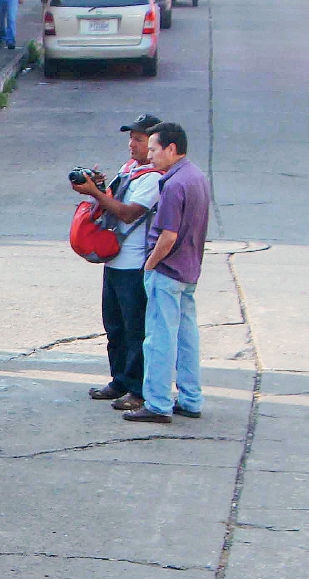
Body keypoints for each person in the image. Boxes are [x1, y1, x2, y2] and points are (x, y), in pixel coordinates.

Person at [72, 114, 163, 412]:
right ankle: (119, 380)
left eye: (139, 140)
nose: (132, 145)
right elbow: (110, 201)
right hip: (114, 261)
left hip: (135, 264)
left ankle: (138, 389)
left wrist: (96, 193)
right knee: (114, 327)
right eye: (131, 138)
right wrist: (97, 187)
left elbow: (128, 213)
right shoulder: (129, 170)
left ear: (154, 144)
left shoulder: (153, 178)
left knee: (135, 329)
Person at [125, 122, 211, 424]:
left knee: (159, 338)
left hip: (168, 270)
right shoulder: (196, 176)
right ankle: (190, 398)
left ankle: (158, 403)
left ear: (171, 149)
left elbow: (168, 235)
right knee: (187, 337)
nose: (150, 156)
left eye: (153, 149)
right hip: (189, 270)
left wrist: (150, 263)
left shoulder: (173, 184)